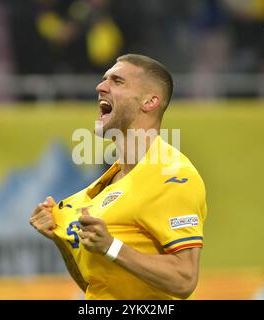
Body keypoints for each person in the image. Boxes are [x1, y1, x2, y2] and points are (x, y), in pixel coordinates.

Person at [30, 54, 207, 299]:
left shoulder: (172, 175)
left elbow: (184, 279)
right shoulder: (98, 190)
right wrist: (60, 239)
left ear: (149, 101)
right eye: (104, 80)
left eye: (117, 81)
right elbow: (98, 284)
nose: (100, 87)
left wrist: (112, 247)